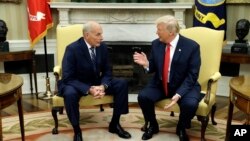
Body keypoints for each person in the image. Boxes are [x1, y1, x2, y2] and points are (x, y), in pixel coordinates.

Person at [58, 21, 131, 141]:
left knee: (121, 83)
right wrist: (89, 89)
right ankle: (77, 130)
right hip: (76, 83)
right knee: (69, 94)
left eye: (101, 34)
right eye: (98, 34)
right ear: (87, 35)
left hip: (96, 82)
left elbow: (108, 71)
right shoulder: (72, 49)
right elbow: (68, 77)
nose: (101, 37)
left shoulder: (102, 47)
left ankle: (114, 124)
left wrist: (103, 86)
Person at [133, 15, 201, 141]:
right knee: (143, 97)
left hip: (184, 85)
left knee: (190, 104)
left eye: (159, 29)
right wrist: (147, 64)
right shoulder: (156, 44)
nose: (156, 32)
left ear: (171, 32)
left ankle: (181, 127)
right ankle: (153, 125)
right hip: (161, 84)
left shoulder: (191, 47)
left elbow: (192, 75)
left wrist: (179, 94)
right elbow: (153, 67)